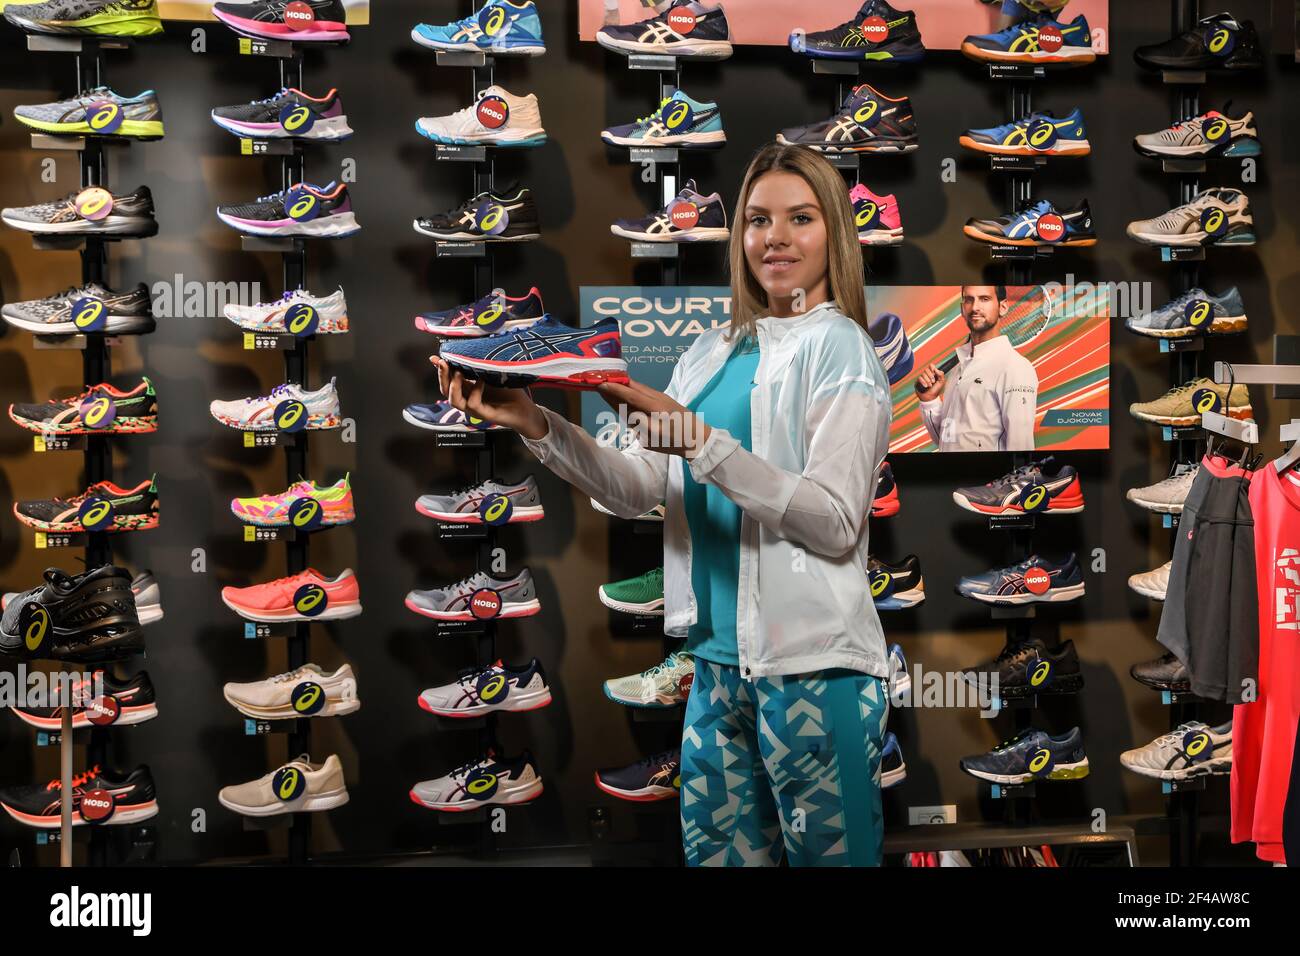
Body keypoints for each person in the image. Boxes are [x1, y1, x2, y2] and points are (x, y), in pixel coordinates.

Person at [431, 142, 893, 867]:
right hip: (714, 668)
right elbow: (637, 487)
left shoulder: (840, 348)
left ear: (835, 231)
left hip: (816, 669)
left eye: (800, 219)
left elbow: (834, 522)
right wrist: (537, 424)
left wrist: (696, 438)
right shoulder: (708, 351)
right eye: (756, 220)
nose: (775, 238)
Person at [914, 285, 1039, 452]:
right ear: (962, 309)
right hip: (953, 476)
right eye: (969, 300)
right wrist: (929, 400)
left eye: (984, 299)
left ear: (1002, 307)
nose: (975, 307)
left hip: (988, 477)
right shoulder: (960, 367)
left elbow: (1021, 449)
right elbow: (946, 441)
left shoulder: (1015, 367)